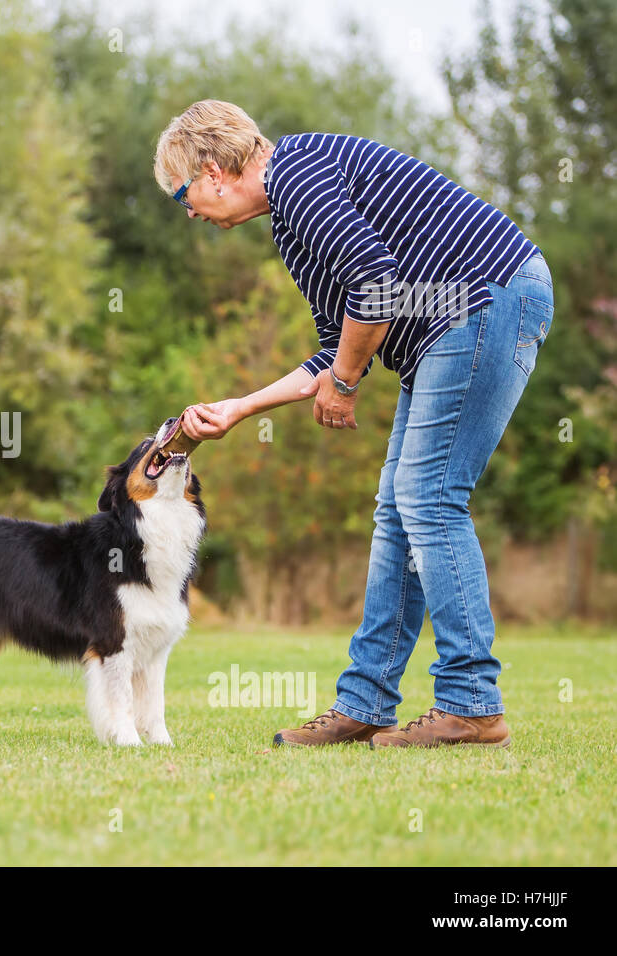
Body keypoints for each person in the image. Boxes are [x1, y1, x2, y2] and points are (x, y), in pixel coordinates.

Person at [154, 100, 553, 748]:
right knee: (400, 506)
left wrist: (343, 384)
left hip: (484, 299)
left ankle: (472, 703)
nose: (191, 213)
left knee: (429, 499)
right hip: (455, 320)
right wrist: (240, 408)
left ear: (212, 170)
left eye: (183, 197)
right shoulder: (292, 214)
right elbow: (337, 341)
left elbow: (375, 284)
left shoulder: (297, 174)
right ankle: (366, 703)